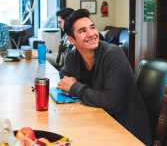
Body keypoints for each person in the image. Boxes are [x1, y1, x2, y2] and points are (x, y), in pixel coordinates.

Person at [57, 9, 152, 145]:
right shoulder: (72, 57)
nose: (92, 34)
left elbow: (111, 102)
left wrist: (74, 87)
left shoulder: (113, 54)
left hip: (126, 129)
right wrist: (69, 82)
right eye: (82, 31)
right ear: (72, 40)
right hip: (98, 121)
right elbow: (64, 73)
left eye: (93, 28)